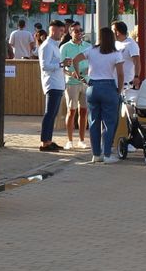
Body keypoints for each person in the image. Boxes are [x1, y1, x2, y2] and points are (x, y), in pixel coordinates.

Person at [71, 28, 124, 163]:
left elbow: (75, 60)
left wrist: (78, 76)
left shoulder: (91, 50)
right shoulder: (116, 54)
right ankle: (107, 154)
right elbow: (120, 74)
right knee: (109, 123)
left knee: (93, 122)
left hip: (92, 87)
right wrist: (119, 90)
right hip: (109, 87)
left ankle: (96, 154)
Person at [59, 20, 90, 149]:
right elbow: (61, 66)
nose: (79, 33)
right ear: (70, 33)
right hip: (72, 82)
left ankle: (81, 140)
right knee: (71, 111)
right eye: (76, 31)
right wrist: (70, 73)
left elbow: (93, 62)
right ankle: (70, 140)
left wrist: (89, 71)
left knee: (84, 111)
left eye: (80, 30)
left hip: (86, 82)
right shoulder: (64, 47)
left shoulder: (88, 46)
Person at [37, 20, 66, 152]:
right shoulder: (47, 46)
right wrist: (61, 64)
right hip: (52, 83)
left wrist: (63, 65)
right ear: (53, 30)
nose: (62, 33)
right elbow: (45, 66)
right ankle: (45, 142)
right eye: (61, 31)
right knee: (49, 113)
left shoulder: (55, 46)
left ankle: (48, 140)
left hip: (58, 83)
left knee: (53, 114)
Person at [112, 21, 140, 90]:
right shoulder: (114, 44)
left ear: (117, 32)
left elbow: (137, 61)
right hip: (114, 83)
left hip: (126, 84)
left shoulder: (131, 44)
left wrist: (136, 76)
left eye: (112, 30)